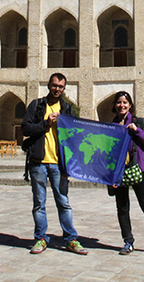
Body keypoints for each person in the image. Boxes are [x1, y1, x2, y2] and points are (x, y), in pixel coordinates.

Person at [21, 72, 88, 255]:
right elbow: (25, 129)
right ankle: (41, 238)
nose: (57, 89)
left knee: (63, 202)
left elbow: (73, 138)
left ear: (64, 88)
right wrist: (45, 123)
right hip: (39, 162)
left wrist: (70, 166)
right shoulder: (37, 106)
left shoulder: (67, 109)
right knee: (39, 203)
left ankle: (71, 239)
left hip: (59, 164)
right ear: (49, 85)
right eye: (54, 85)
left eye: (60, 87)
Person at [110, 90, 144, 256]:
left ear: (130, 105)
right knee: (122, 208)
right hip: (120, 172)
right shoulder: (112, 126)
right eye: (119, 102)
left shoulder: (139, 122)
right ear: (115, 105)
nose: (122, 105)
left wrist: (136, 130)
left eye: (125, 103)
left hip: (138, 170)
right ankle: (128, 241)